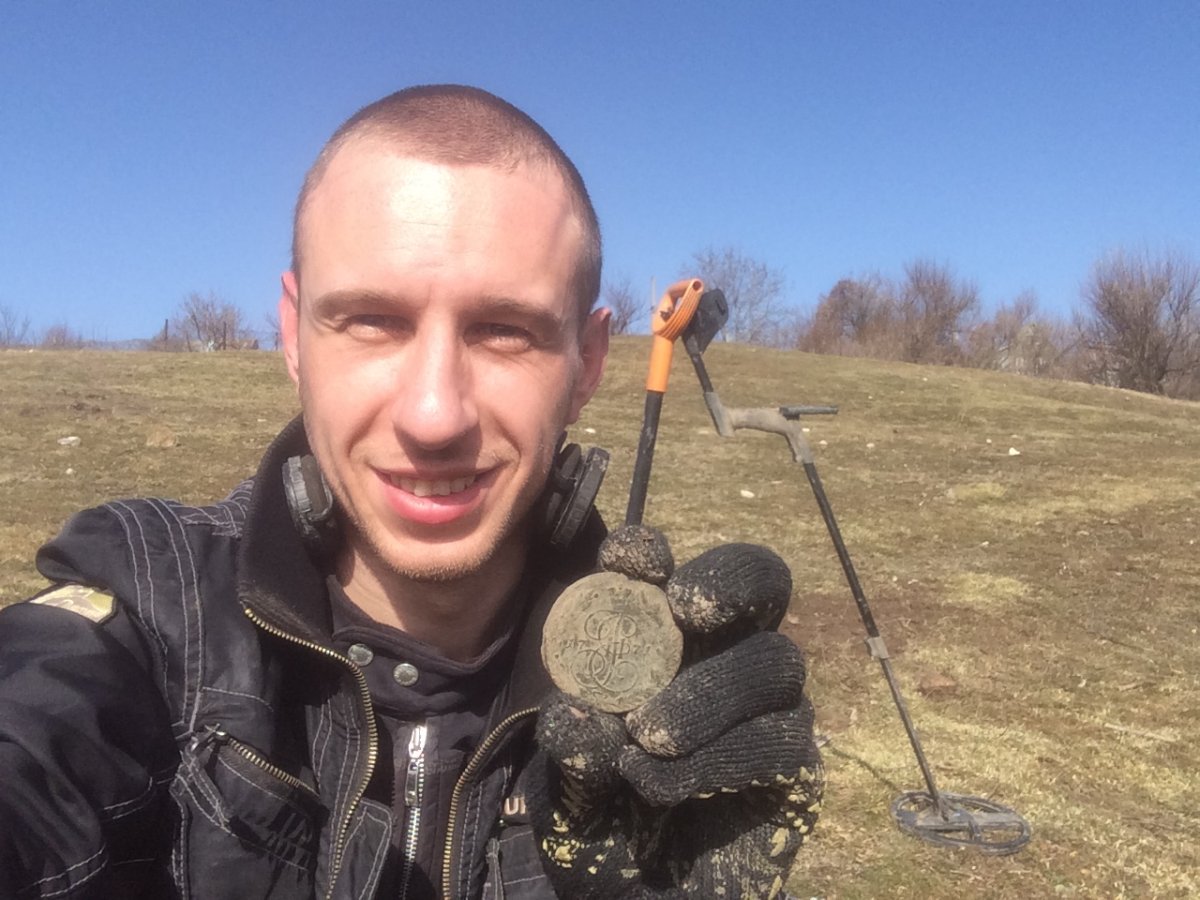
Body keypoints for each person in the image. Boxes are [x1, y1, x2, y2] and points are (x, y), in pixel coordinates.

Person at [0, 85, 821, 899]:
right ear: (293, 336)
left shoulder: (654, 703)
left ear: (588, 363)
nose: (433, 416)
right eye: (371, 320)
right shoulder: (147, 616)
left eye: (504, 330)